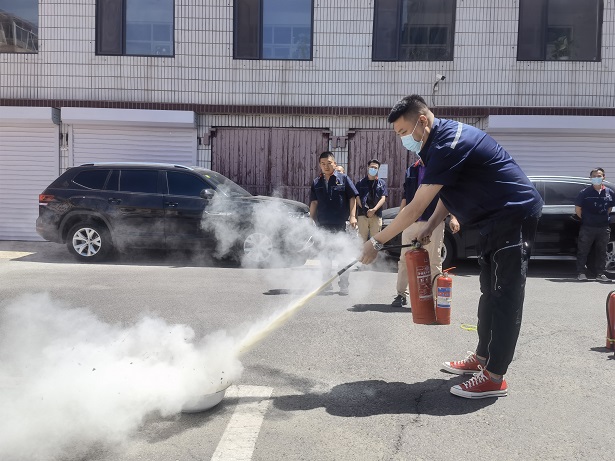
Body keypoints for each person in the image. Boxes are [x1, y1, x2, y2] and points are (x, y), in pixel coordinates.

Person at [359, 94, 543, 399]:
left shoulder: (448, 143)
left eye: (403, 132)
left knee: (505, 296)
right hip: (491, 219)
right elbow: (446, 191)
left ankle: (495, 377)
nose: (403, 140)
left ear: (422, 120)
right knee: (489, 291)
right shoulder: (433, 144)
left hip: (513, 215)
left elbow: (416, 207)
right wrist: (431, 226)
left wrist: (377, 241)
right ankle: (482, 358)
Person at [392, 158, 460, 307]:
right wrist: (399, 219)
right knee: (404, 259)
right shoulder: (411, 169)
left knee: (434, 261)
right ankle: (401, 294)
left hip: (433, 222)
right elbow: (406, 196)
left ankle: (434, 298)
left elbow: (449, 195)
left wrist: (453, 217)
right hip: (411, 222)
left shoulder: (438, 167)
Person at [310, 151, 359, 296]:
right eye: (323, 164)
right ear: (320, 165)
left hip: (340, 224)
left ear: (334, 164)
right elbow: (314, 202)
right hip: (323, 225)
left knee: (343, 256)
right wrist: (311, 219)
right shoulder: (316, 182)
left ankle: (344, 285)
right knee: (325, 257)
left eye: (329, 163)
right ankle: (326, 284)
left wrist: (352, 216)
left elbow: (352, 197)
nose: (326, 166)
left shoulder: (343, 179)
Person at [575, 167, 615, 282]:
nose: (596, 178)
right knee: (583, 250)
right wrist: (587, 219)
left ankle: (600, 274)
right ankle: (581, 273)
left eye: (599, 176)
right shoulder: (584, 193)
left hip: (603, 227)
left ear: (603, 177)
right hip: (588, 227)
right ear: (590, 178)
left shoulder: (609, 192)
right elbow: (578, 209)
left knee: (602, 252)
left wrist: (601, 218)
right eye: (594, 176)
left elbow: (609, 208)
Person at [355, 159, 388, 243]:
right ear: (368, 167)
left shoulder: (382, 183)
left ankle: (374, 253)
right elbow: (357, 197)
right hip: (363, 214)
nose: (373, 169)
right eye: (372, 167)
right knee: (361, 239)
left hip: (376, 214)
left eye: (375, 168)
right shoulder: (360, 183)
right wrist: (364, 209)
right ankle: (362, 252)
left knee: (376, 240)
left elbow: (383, 198)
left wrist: (374, 210)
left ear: (378, 169)